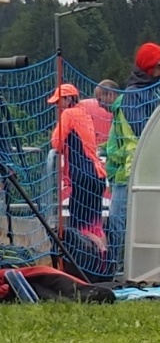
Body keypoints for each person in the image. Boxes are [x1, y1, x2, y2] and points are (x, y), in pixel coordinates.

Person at [106, 43, 160, 276]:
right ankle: (119, 270)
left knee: (143, 226)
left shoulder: (154, 92)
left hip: (148, 173)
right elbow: (145, 132)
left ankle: (141, 268)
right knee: (122, 225)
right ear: (147, 69)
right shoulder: (133, 97)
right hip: (129, 175)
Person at [48, 84, 109, 270]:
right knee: (96, 225)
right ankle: (105, 262)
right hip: (97, 176)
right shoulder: (85, 114)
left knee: (80, 226)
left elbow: (56, 142)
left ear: (68, 99)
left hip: (82, 177)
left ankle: (88, 264)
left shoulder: (69, 114)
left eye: (59, 102)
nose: (58, 106)